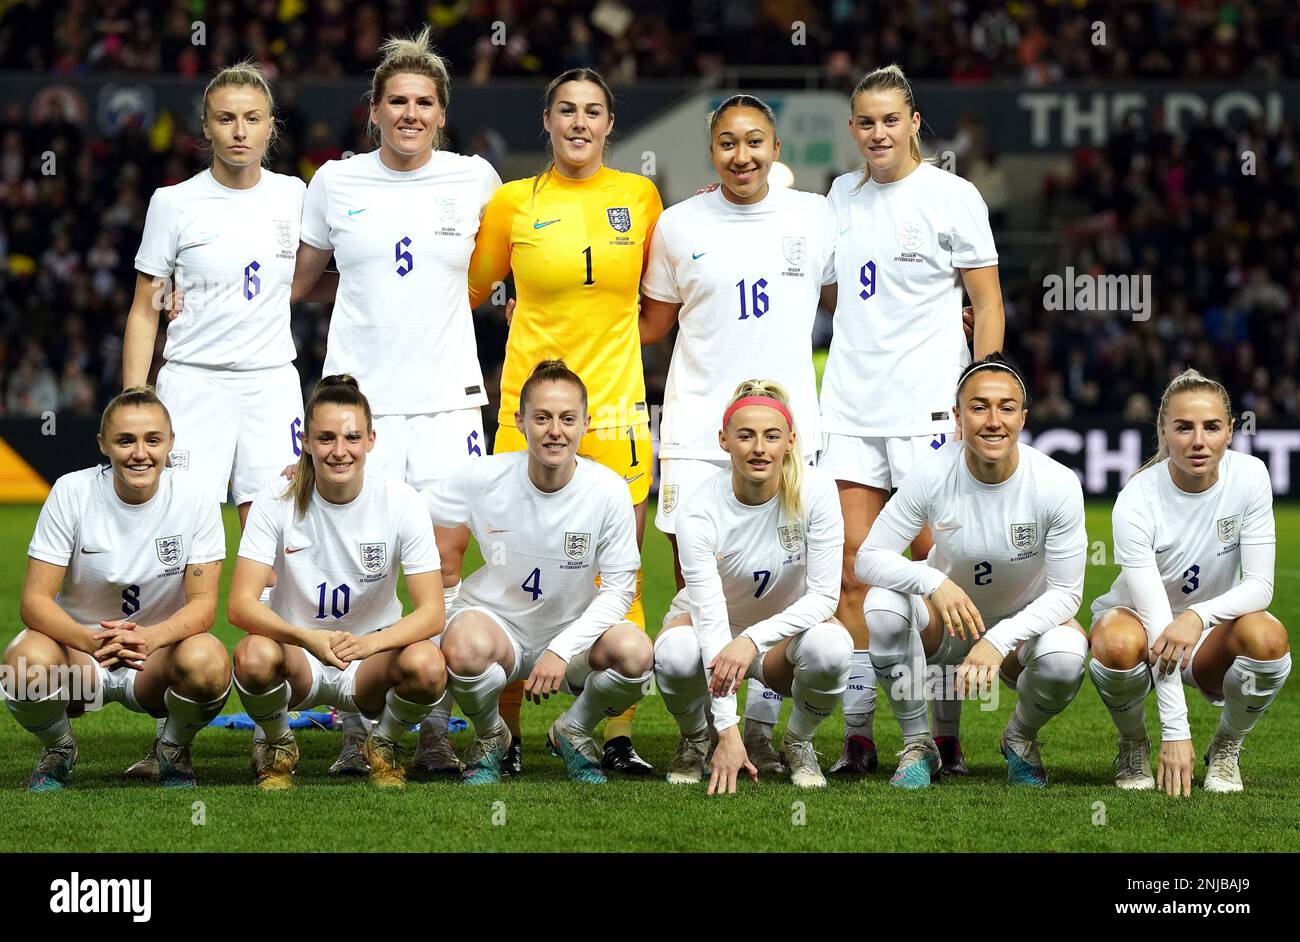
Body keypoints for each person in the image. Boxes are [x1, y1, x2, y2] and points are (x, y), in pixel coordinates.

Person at [291, 28, 501, 776]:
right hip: (360, 414)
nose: (410, 113)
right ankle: (356, 724)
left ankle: (430, 722)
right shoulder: (334, 183)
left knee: (441, 570)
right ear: (372, 110)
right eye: (396, 101)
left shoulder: (475, 179)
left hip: (448, 405)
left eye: (424, 102)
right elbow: (301, 281)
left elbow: (512, 261)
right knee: (364, 569)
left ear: (442, 113)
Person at [466, 67, 662, 775]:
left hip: (615, 416)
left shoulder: (641, 198)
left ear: (611, 124)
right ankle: (508, 736)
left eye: (594, 112)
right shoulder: (512, 204)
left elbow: (660, 305)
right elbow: (469, 291)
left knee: (624, 579)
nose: (580, 123)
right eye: (566, 111)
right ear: (546, 121)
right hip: (527, 416)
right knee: (515, 576)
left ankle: (612, 736)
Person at [121, 62, 314, 778]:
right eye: (226, 118)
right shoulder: (174, 203)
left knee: (276, 555)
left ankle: (273, 721)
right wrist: (134, 402)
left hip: (271, 389)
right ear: (205, 127)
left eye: (252, 118)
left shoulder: (295, 196)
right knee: (181, 553)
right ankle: (176, 729)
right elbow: (145, 309)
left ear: (271, 127)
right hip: (192, 389)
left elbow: (332, 265)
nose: (239, 130)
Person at [640, 93, 836, 775]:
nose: (742, 155)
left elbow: (857, 301)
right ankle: (703, 730)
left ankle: (758, 726)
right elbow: (651, 326)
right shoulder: (676, 224)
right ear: (711, 151)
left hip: (790, 437)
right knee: (700, 598)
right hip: (696, 436)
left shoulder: (816, 216)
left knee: (791, 588)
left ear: (776, 150)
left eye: (755, 141)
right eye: (727, 142)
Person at [819, 64, 1006, 777]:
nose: (877, 133)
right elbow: (838, 292)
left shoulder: (953, 196)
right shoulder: (840, 194)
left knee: (934, 573)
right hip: (850, 408)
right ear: (853, 129)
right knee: (853, 577)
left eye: (889, 120)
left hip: (929, 408)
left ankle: (942, 732)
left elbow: (987, 304)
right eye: (865, 122)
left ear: (914, 122)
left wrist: (976, 392)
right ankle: (862, 735)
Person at [856, 356, 1088, 788]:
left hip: (1019, 632)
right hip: (945, 624)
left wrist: (998, 641)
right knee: (883, 608)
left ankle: (1019, 739)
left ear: (1023, 417)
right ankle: (918, 744)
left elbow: (1067, 594)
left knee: (1066, 657)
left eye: (1006, 407)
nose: (993, 421)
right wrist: (933, 581)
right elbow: (868, 558)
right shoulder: (932, 472)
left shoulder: (1056, 483)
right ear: (958, 418)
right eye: (979, 407)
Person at [423, 360, 652, 784]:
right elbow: (403, 510)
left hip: (572, 630)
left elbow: (620, 591)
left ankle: (573, 730)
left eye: (567, 419)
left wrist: (562, 648)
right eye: (542, 418)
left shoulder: (608, 490)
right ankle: (493, 737)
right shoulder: (482, 478)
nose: (555, 431)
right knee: (464, 648)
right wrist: (318, 478)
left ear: (586, 423)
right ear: (519, 421)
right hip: (496, 625)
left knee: (636, 654)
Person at [226, 375, 449, 790]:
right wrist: (305, 637)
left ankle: (383, 745)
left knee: (428, 665)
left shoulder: (401, 501)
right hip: (298, 657)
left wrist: (369, 645)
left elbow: (432, 612)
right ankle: (278, 745)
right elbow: (240, 605)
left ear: (371, 440)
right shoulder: (276, 497)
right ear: (305, 442)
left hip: (370, 660)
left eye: (352, 437)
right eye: (325, 438)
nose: (339, 450)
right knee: (253, 656)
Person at [3, 388, 230, 790]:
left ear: (170, 443)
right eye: (125, 440)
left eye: (152, 440)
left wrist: (150, 639)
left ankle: (172, 748)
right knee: (21, 666)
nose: (139, 453)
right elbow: (35, 602)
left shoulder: (196, 498)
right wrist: (90, 641)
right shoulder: (72, 492)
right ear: (103, 444)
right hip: (81, 660)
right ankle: (59, 747)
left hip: (154, 661)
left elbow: (203, 606)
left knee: (209, 663)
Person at [1088, 368, 1288, 796]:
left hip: (1209, 635)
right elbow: (1159, 622)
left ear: (1231, 431)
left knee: (1268, 638)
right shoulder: (1136, 498)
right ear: (1163, 430)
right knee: (1115, 642)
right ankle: (1133, 744)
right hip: (1145, 629)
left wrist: (1198, 615)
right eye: (1184, 427)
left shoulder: (1250, 477)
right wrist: (1174, 732)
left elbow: (1260, 587)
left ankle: (1227, 745)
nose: (1199, 441)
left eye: (1212, 427)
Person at [654, 380, 852, 792]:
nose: (759, 447)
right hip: (715, 629)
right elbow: (708, 618)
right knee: (674, 653)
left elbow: (824, 597)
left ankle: (798, 742)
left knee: (832, 648)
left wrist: (753, 640)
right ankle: (697, 738)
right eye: (745, 435)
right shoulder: (698, 511)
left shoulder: (817, 491)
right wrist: (727, 731)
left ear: (791, 440)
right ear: (724, 441)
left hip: (781, 639)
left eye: (771, 435)